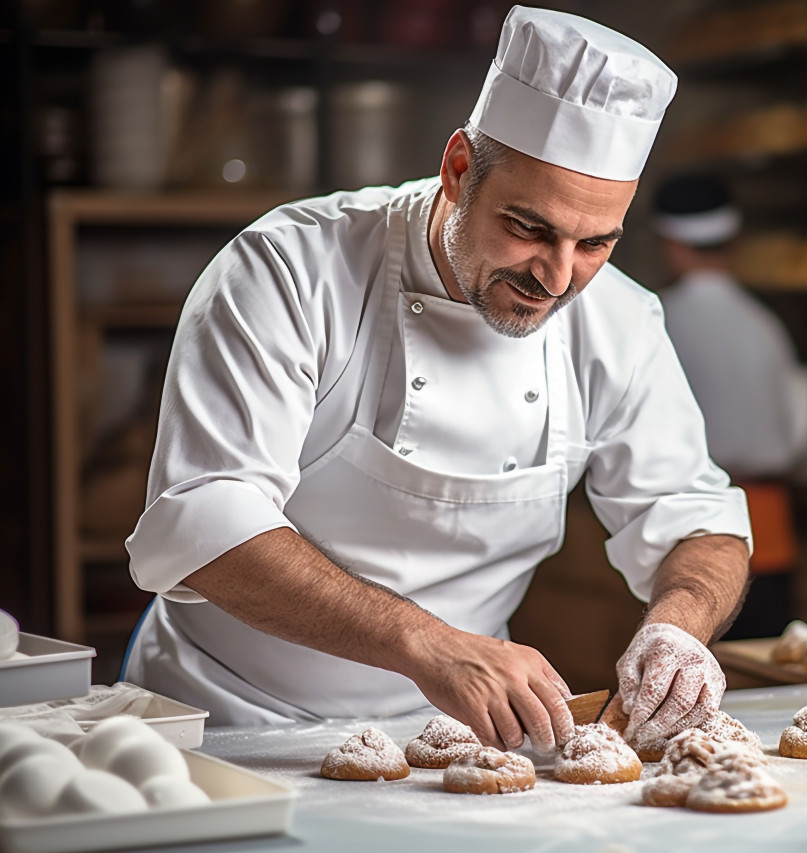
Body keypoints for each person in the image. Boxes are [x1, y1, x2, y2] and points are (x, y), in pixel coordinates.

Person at [122, 7, 752, 754]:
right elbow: (207, 520)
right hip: (231, 723)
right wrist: (427, 643)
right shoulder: (289, 270)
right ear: (458, 169)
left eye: (595, 244)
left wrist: (678, 627)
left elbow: (693, 516)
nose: (555, 277)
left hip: (451, 739)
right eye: (529, 228)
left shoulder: (619, 322)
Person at [652, 175, 807, 638]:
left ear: (671, 243)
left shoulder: (655, 320)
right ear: (733, 241)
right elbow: (797, 429)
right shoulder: (765, 325)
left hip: (690, 538)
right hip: (768, 525)